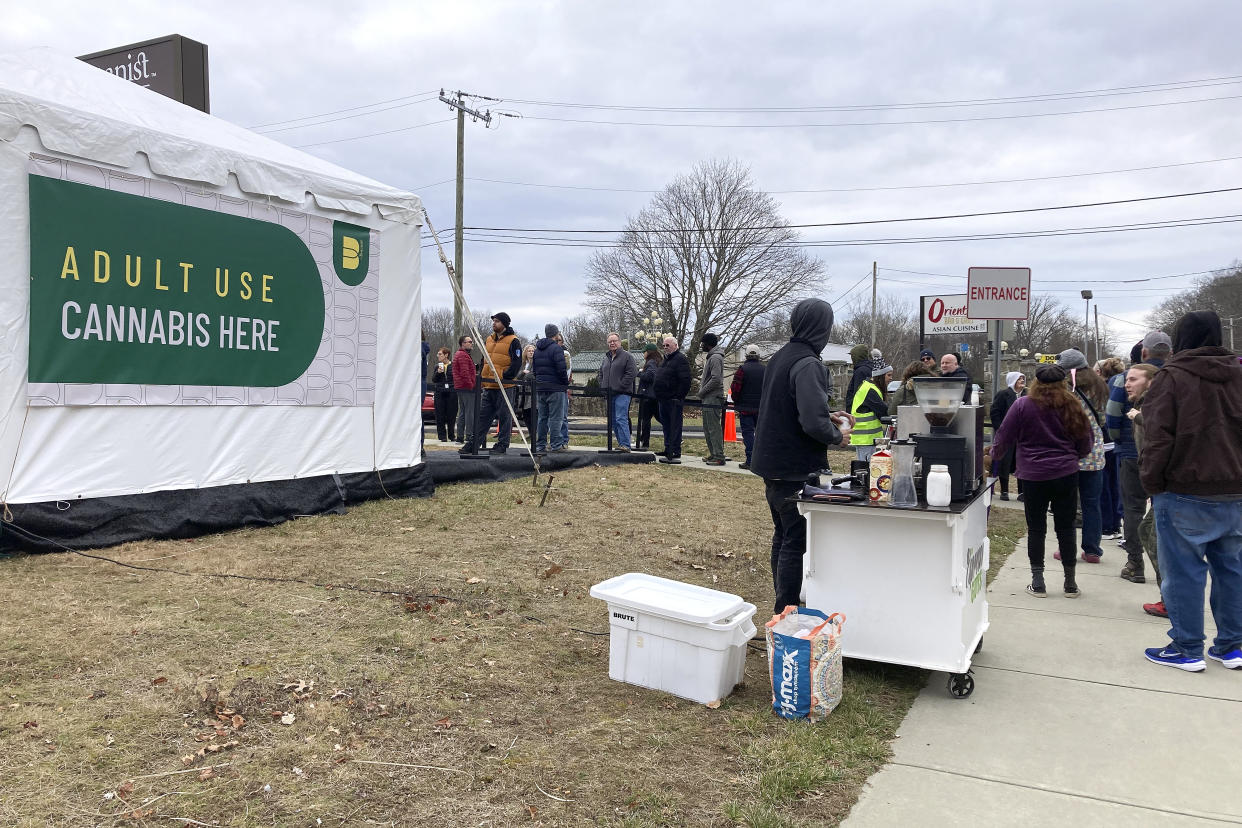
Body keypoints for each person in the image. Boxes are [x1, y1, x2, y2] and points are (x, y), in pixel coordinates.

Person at [1139, 310, 1242, 672]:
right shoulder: (1239, 373)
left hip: (1184, 489)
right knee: (1232, 569)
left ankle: (1187, 647)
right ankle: (1231, 646)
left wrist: (1151, 483)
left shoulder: (1172, 378)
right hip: (1234, 490)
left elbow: (1157, 438)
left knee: (1184, 572)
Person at [751, 298, 852, 614]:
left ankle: (782, 606)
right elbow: (810, 422)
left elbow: (791, 406)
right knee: (794, 542)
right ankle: (786, 613)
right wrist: (838, 435)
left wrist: (826, 413)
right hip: (794, 467)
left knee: (783, 536)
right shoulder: (809, 363)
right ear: (823, 327)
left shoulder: (781, 356)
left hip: (772, 464)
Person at [990, 365, 1093, 599]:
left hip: (1034, 474)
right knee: (1066, 527)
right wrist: (1072, 456)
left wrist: (995, 456)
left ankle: (1038, 582)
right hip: (1066, 473)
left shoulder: (1022, 405)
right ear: (1063, 383)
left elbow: (1004, 435)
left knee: (1036, 528)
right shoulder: (1073, 405)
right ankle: (1070, 583)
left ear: (1035, 382)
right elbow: (1086, 441)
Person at [1106, 331, 1171, 579]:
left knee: (1132, 508)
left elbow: (1112, 413)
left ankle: (1135, 564)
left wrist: (1118, 439)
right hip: (1165, 456)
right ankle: (1162, 568)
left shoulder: (1125, 379)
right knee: (1160, 510)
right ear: (1171, 353)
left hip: (1131, 452)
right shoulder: (1175, 378)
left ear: (1144, 353)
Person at [1121, 363, 1166, 616]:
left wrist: (1138, 416)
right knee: (1147, 530)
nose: (1128, 384)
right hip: (1158, 484)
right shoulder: (1147, 402)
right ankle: (1168, 596)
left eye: (1134, 379)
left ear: (1151, 381)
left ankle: (1169, 600)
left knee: (1153, 535)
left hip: (1167, 487)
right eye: (1127, 379)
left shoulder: (1153, 404)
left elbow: (1160, 432)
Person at [1057, 348, 1109, 565]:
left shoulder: (1068, 390)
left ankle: (1066, 548)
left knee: (1066, 505)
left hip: (1070, 453)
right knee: (1092, 504)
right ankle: (1092, 550)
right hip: (1095, 454)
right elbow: (1104, 421)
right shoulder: (1100, 387)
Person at [461, 312, 522, 456]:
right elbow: (484, 359)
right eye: (493, 321)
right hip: (489, 385)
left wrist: (505, 376)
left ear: (505, 324)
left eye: (497, 321)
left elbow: (516, 362)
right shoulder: (488, 339)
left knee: (504, 416)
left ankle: (502, 444)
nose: (494, 323)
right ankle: (474, 442)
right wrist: (482, 374)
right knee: (482, 416)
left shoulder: (514, 341)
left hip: (504, 386)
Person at [1095, 357, 1127, 539]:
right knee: (1116, 487)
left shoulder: (1101, 390)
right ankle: (1115, 524)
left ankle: (1107, 526)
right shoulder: (1122, 386)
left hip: (1104, 442)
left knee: (1103, 488)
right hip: (1116, 443)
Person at [532, 324, 569, 455]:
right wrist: (565, 384)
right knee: (556, 418)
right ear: (556, 334)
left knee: (542, 418)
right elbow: (561, 369)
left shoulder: (537, 350)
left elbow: (534, 371)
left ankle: (540, 444)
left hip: (541, 388)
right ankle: (556, 444)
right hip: (555, 388)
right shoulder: (556, 349)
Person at [654, 336, 691, 464]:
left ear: (675, 346)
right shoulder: (665, 360)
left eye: (667, 345)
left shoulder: (680, 359)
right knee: (666, 425)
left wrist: (678, 396)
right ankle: (668, 447)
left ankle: (675, 450)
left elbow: (686, 380)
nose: (665, 348)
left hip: (673, 400)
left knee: (674, 425)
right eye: (664, 345)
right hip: (663, 398)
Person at [989, 370, 1026, 500]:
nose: (1022, 381)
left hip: (1022, 436)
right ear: (1012, 381)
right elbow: (995, 413)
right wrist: (1001, 430)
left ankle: (1022, 492)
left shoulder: (1026, 395)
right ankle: (1004, 491)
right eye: (1019, 379)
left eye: (1023, 378)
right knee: (1004, 462)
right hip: (1007, 436)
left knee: (1022, 463)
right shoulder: (1003, 395)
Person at [598, 332, 637, 452]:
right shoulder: (606, 359)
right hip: (609, 395)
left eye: (614, 341)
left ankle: (626, 444)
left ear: (619, 342)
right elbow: (600, 373)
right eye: (610, 341)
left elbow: (632, 373)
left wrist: (620, 386)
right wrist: (602, 385)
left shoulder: (627, 357)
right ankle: (621, 444)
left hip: (622, 394)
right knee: (613, 421)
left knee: (621, 418)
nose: (612, 343)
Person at [849, 355, 891, 461]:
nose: (891, 378)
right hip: (866, 439)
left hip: (867, 439)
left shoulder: (869, 387)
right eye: (889, 375)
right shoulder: (870, 390)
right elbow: (884, 412)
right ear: (881, 376)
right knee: (867, 471)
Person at [730, 344, 765, 469]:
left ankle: (750, 460)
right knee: (761, 434)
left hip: (745, 408)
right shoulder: (765, 370)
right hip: (761, 408)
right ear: (758, 355)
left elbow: (735, 389)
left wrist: (737, 401)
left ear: (746, 355)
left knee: (748, 434)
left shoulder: (742, 369)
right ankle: (761, 460)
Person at [697, 332, 728, 465]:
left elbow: (716, 379)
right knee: (707, 427)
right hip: (709, 397)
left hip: (712, 397)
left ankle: (719, 456)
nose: (701, 345)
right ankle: (713, 453)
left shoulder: (715, 358)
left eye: (703, 343)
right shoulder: (712, 357)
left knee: (713, 427)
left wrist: (702, 392)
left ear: (708, 344)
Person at [635, 344, 662, 451]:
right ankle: (675, 435)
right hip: (655, 395)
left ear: (649, 352)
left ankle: (644, 442)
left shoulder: (651, 362)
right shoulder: (659, 362)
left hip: (647, 396)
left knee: (645, 420)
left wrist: (640, 373)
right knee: (661, 418)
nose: (643, 354)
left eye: (644, 352)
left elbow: (651, 376)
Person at [452, 335, 477, 447]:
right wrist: (471, 385)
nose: (471, 343)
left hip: (461, 387)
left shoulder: (461, 354)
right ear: (463, 343)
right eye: (469, 342)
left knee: (462, 412)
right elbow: (465, 373)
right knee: (469, 412)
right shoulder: (462, 355)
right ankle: (469, 436)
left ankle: (460, 437)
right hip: (466, 387)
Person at [432, 347, 457, 442]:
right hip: (440, 392)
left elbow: (456, 379)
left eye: (440, 354)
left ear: (446, 355)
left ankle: (451, 435)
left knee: (451, 415)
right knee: (440, 415)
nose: (438, 356)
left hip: (451, 392)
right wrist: (438, 373)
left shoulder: (453, 366)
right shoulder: (437, 366)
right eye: (438, 354)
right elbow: (434, 380)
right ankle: (442, 436)